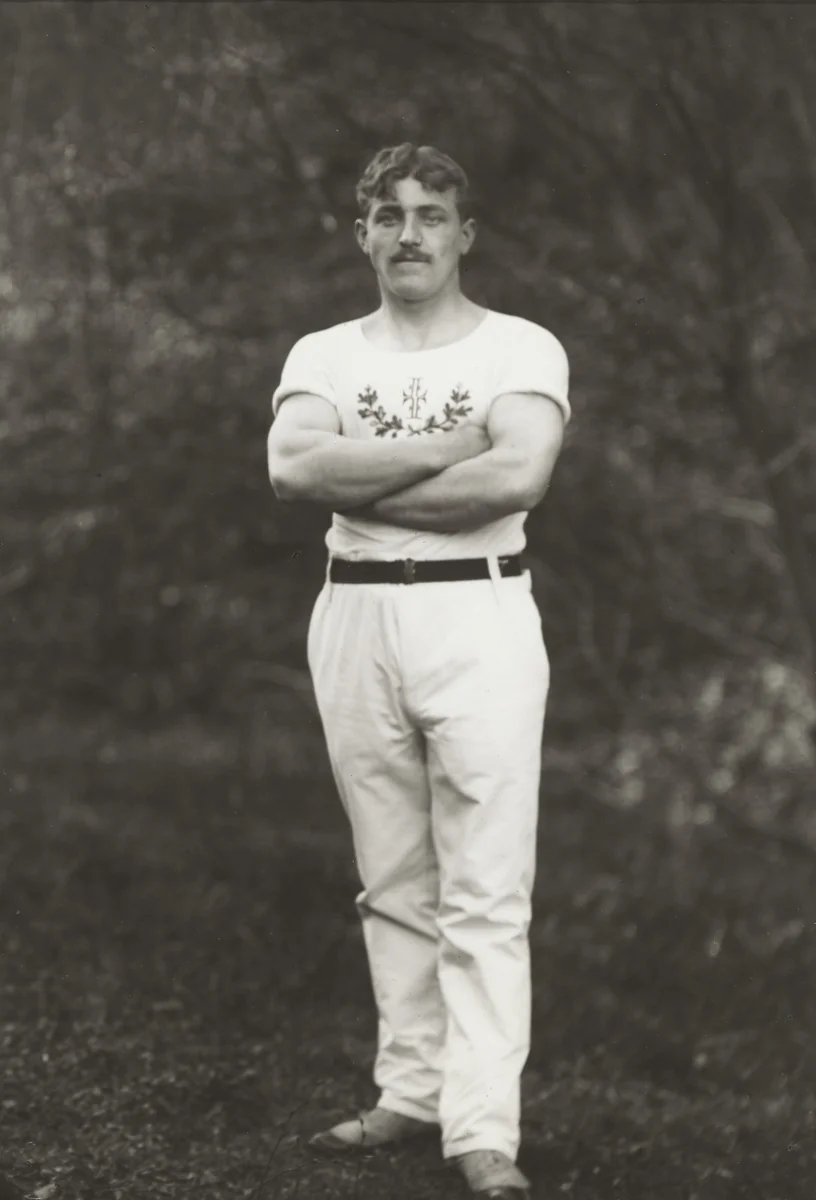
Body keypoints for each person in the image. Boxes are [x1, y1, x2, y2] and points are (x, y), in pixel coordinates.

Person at [267, 143, 570, 1200]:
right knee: (391, 876)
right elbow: (292, 465)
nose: (409, 233)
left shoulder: (520, 347)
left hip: (480, 613)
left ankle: (483, 1131)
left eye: (431, 215)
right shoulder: (325, 354)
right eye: (388, 215)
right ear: (362, 235)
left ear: (463, 234)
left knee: (486, 886)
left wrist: (364, 476)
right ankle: (412, 1092)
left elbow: (520, 472)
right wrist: (453, 452)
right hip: (354, 615)